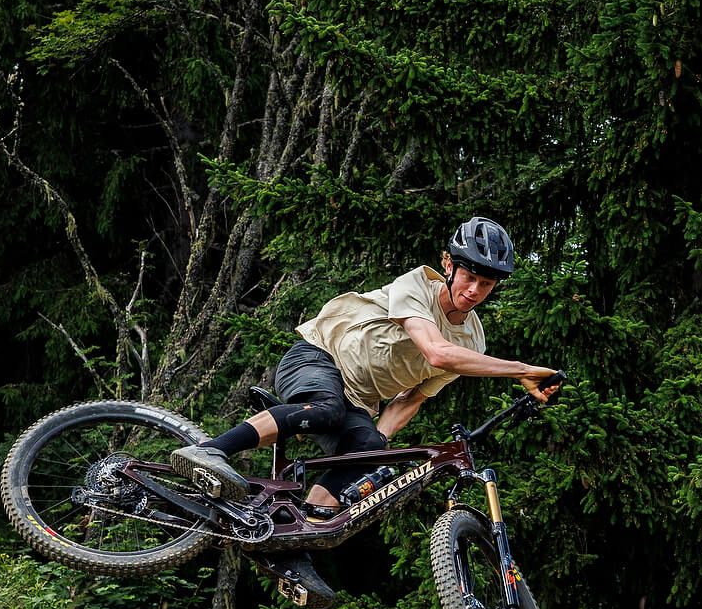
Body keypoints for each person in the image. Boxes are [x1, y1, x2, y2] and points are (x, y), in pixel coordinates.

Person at [171, 217, 558, 522]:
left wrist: (379, 442)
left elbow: (413, 396)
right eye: (469, 277)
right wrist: (520, 370)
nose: (474, 290)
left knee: (369, 452)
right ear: (448, 265)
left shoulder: (473, 343)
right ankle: (208, 451)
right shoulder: (417, 286)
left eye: (486, 283)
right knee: (327, 409)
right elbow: (437, 353)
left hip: (358, 400)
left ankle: (300, 534)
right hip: (317, 357)